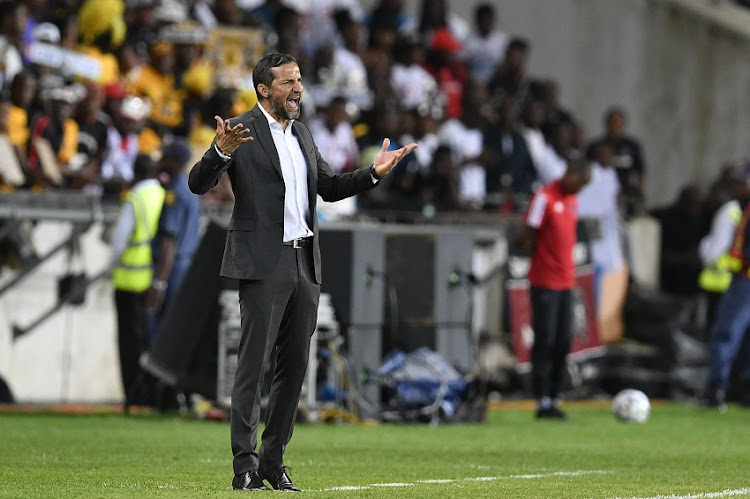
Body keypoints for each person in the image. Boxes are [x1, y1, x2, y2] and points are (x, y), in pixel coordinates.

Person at [188, 53, 417, 492]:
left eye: (299, 79)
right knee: (252, 369)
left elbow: (328, 188)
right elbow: (198, 183)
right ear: (264, 90)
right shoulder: (240, 131)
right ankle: (245, 467)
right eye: (289, 81)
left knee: (293, 368)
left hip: (304, 263)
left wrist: (373, 174)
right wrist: (219, 152)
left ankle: (274, 462)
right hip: (262, 262)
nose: (298, 88)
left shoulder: (303, 134)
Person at [518, 158, 591, 419]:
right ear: (570, 175)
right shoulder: (544, 197)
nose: (579, 190)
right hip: (544, 280)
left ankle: (555, 395)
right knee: (545, 340)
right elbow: (527, 232)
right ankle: (542, 398)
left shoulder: (572, 201)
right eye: (579, 184)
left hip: (566, 281)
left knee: (563, 341)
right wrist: (540, 254)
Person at [109, 154, 166, 406]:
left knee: (129, 344)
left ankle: (134, 397)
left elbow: (119, 241)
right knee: (149, 340)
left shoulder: (135, 197)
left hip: (129, 280)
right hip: (154, 279)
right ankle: (151, 395)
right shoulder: (162, 195)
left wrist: (111, 266)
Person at [702, 183, 750, 412]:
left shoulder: (739, 208)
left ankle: (716, 388)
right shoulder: (741, 208)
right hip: (743, 279)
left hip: (745, 280)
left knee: (726, 334)